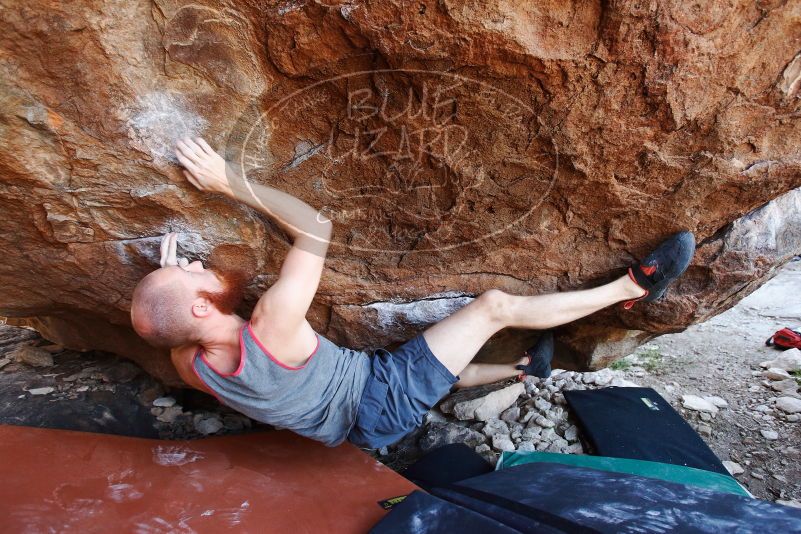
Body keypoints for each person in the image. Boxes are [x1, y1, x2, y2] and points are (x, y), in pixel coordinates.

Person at [130, 137, 696, 449]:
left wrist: (173, 286)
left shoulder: (187, 361)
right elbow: (316, 228)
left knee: (430, 372)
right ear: (201, 306)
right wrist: (228, 181)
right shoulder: (272, 326)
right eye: (194, 274)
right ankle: (632, 288)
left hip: (355, 425)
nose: (200, 263)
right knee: (491, 308)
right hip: (376, 397)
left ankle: (526, 367)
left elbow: (174, 323)